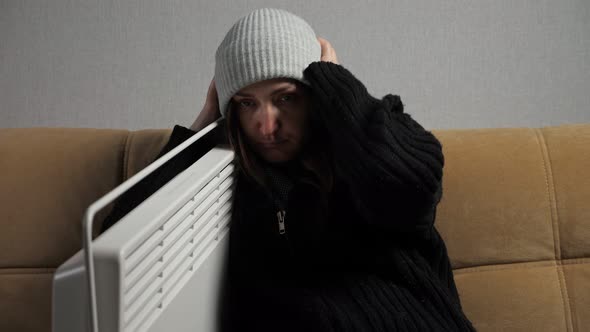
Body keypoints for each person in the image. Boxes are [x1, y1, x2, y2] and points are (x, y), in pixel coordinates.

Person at [101, 8, 475, 332]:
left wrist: (338, 89)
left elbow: (411, 187)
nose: (266, 125)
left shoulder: (369, 147)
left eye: (285, 98)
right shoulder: (222, 183)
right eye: (247, 103)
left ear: (315, 93)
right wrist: (198, 132)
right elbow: (121, 251)